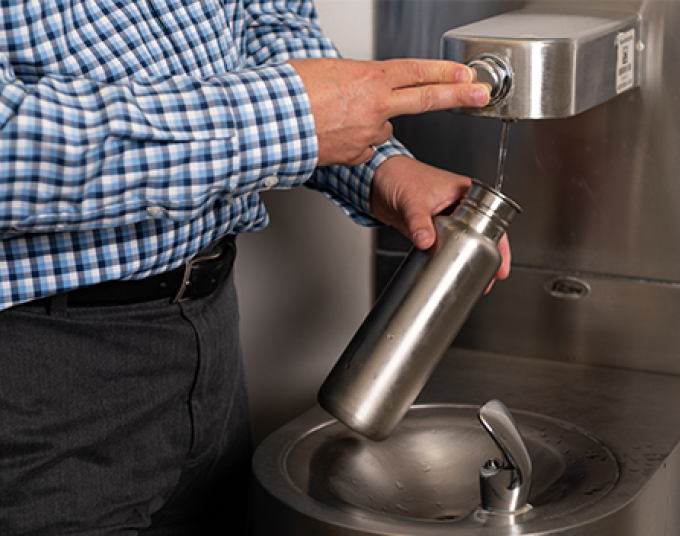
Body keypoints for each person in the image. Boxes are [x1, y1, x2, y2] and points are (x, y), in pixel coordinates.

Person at [0, 1, 510, 534]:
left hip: (211, 333)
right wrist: (289, 118)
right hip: (40, 374)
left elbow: (266, 21)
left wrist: (383, 166)